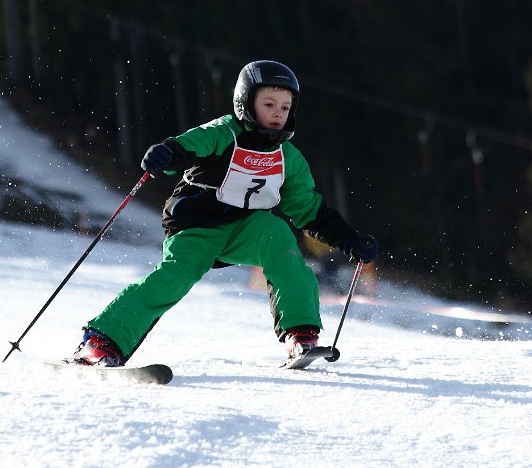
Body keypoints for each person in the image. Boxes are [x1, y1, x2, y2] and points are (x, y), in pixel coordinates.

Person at [70, 60, 378, 366]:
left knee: (279, 236)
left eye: (285, 107)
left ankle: (301, 334)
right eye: (269, 103)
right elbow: (190, 145)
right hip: (196, 226)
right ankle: (102, 341)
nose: (277, 113)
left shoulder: (288, 157)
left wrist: (349, 240)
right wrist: (169, 154)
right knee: (175, 277)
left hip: (245, 227)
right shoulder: (224, 133)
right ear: (245, 103)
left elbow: (308, 208)